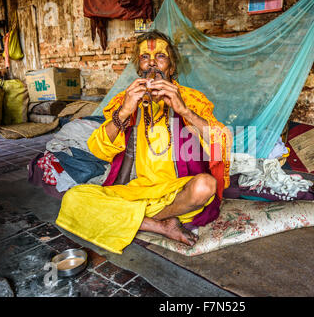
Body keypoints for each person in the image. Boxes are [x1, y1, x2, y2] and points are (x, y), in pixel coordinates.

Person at [55, 30, 232, 254]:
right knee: (73, 198)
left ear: (172, 66)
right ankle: (159, 224)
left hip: (178, 193)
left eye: (160, 56)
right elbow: (97, 149)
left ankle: (133, 218)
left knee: (206, 186)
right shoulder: (126, 99)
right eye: (144, 57)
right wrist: (125, 111)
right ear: (139, 67)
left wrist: (184, 110)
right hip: (135, 192)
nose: (152, 64)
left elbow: (222, 141)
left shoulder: (191, 99)